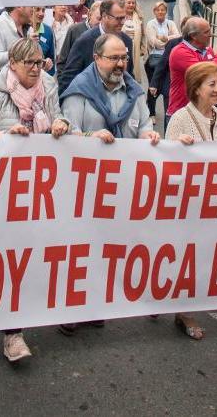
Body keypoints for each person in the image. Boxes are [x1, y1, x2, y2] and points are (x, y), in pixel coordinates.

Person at [60, 33, 160, 335]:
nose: (120, 63)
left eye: (124, 58)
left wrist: (148, 135)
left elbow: (144, 123)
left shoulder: (134, 91)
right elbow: (69, 133)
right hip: (85, 185)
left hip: (122, 183)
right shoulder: (79, 92)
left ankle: (93, 305)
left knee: (107, 248)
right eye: (114, 58)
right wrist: (91, 138)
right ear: (97, 58)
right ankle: (69, 308)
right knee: (79, 248)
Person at [0, 37, 70, 361]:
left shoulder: (49, 84)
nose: (36, 68)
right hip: (7, 189)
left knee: (43, 254)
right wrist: (4, 137)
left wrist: (61, 123)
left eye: (40, 61)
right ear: (13, 64)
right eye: (29, 62)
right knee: (12, 259)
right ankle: (12, 334)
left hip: (44, 187)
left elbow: (59, 117)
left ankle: (51, 308)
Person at [165, 62, 217, 340]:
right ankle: (185, 312)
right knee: (186, 256)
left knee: (210, 252)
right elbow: (166, 163)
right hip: (188, 202)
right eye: (211, 84)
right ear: (196, 88)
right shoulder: (180, 119)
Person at [57, 0, 134, 96]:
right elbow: (69, 77)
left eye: (124, 18)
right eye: (118, 18)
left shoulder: (127, 41)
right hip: (89, 101)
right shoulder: (85, 41)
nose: (122, 22)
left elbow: (129, 76)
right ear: (105, 16)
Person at [166, 17, 217, 125]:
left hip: (203, 112)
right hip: (181, 113)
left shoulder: (208, 50)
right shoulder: (180, 52)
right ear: (193, 36)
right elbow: (206, 73)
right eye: (206, 32)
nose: (211, 35)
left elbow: (215, 73)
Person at [145, 1, 179, 120]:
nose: (160, 12)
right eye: (158, 10)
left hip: (168, 61)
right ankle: (151, 113)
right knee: (153, 86)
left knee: (165, 86)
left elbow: (178, 37)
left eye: (163, 10)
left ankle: (166, 111)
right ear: (154, 11)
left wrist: (165, 38)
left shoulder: (170, 23)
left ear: (165, 11)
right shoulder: (150, 24)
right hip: (154, 61)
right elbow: (154, 42)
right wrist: (169, 42)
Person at [0, 6, 32, 76]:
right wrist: (21, 49)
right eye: (31, 5)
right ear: (19, 6)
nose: (33, 9)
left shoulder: (29, 29)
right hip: (4, 85)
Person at [58, 1, 101, 67]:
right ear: (89, 15)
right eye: (99, 19)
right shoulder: (74, 30)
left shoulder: (106, 34)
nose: (101, 23)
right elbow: (63, 59)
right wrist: (62, 76)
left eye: (103, 19)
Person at [119, 0, 146, 83]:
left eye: (133, 3)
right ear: (123, 3)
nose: (131, 5)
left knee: (132, 72)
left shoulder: (139, 17)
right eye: (129, 3)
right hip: (120, 49)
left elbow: (143, 34)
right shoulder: (118, 17)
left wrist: (142, 49)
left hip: (134, 49)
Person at [30, 7, 55, 76]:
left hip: (43, 76)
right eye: (37, 10)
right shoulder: (23, 29)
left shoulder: (48, 31)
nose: (41, 13)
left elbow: (52, 57)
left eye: (43, 10)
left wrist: (48, 62)